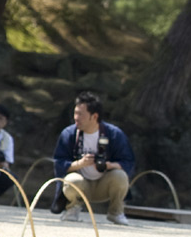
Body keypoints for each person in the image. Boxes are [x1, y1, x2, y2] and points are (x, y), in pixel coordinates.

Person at [53, 91, 136, 225]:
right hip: (81, 185)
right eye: (75, 113)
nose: (76, 117)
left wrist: (108, 165)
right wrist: (80, 163)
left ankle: (116, 212)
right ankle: (72, 208)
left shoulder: (114, 134)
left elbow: (128, 162)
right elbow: (59, 164)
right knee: (72, 180)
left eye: (80, 114)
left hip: (104, 184)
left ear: (94, 116)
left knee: (120, 176)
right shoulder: (69, 134)